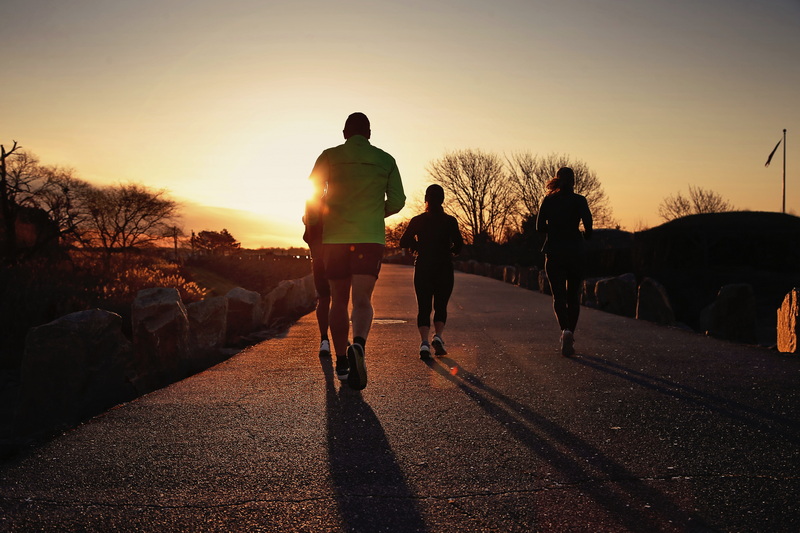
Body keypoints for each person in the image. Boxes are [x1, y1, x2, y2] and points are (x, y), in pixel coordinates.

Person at [307, 112, 406, 390]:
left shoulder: (328, 156)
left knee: (338, 300)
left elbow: (313, 194)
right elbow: (398, 201)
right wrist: (376, 213)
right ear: (370, 134)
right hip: (369, 239)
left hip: (335, 239)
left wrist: (316, 223)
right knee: (362, 300)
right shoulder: (386, 160)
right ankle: (359, 344)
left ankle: (341, 360)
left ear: (344, 133)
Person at [399, 184, 463, 359]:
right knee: (441, 305)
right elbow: (459, 245)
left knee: (424, 306)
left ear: (426, 199)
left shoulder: (418, 220)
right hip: (444, 266)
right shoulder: (450, 221)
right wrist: (451, 250)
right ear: (442, 200)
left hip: (423, 266)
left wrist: (417, 246)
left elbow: (403, 241)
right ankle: (438, 336)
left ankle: (424, 343)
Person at [536, 167, 593, 356]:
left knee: (558, 296)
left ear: (558, 180)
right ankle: (571, 334)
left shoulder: (549, 200)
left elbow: (539, 227)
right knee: (573, 296)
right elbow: (589, 225)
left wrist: (554, 229)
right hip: (576, 251)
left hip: (554, 251)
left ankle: (564, 331)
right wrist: (584, 236)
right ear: (574, 181)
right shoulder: (580, 200)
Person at [302, 200, 331, 357]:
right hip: (337, 256)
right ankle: (338, 335)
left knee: (324, 298)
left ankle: (324, 339)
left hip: (319, 258)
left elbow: (307, 236)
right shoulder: (340, 199)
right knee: (339, 298)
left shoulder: (311, 204)